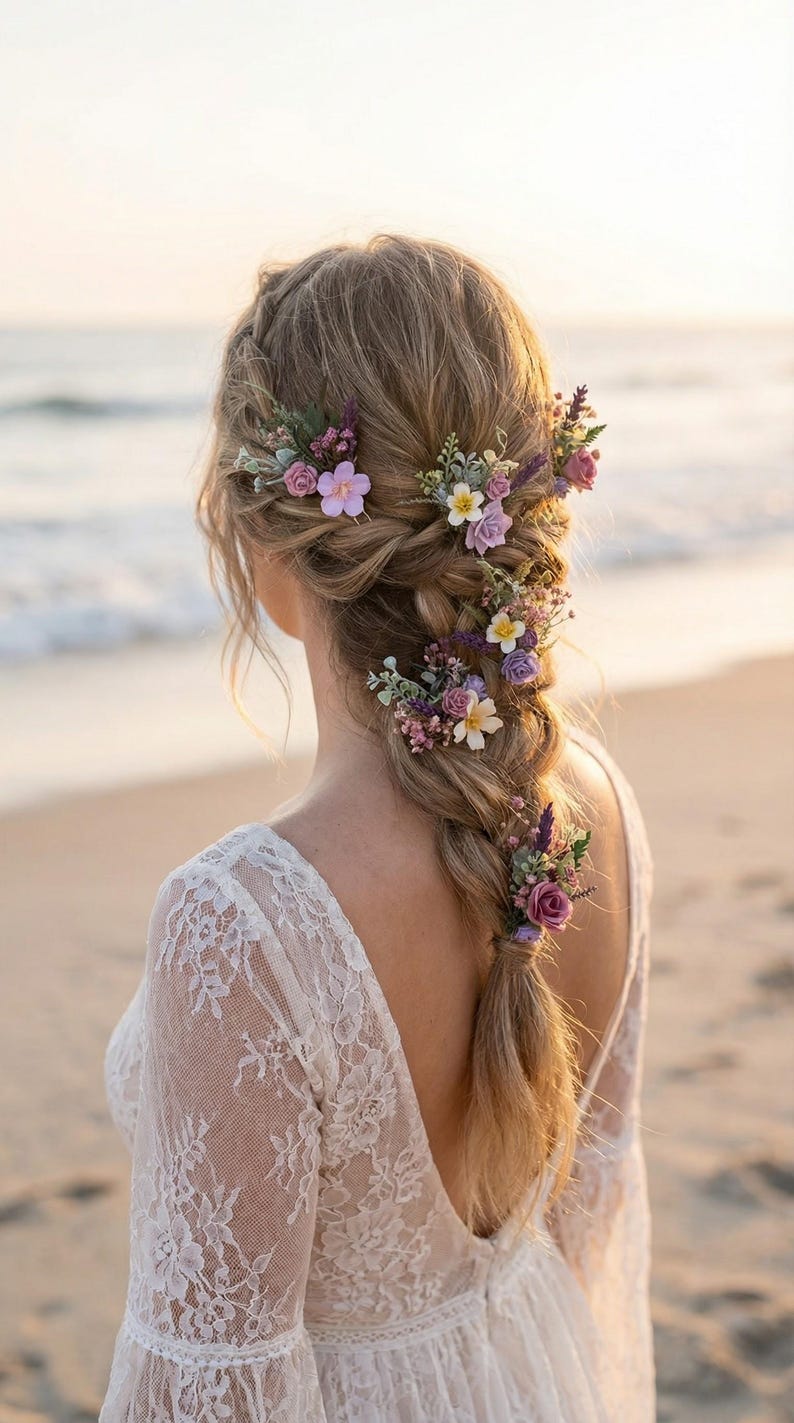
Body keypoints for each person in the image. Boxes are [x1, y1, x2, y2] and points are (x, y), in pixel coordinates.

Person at [100, 235, 654, 1422]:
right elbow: (584, 1226)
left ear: (262, 546)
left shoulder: (244, 927)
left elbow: (215, 1401)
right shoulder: (596, 808)